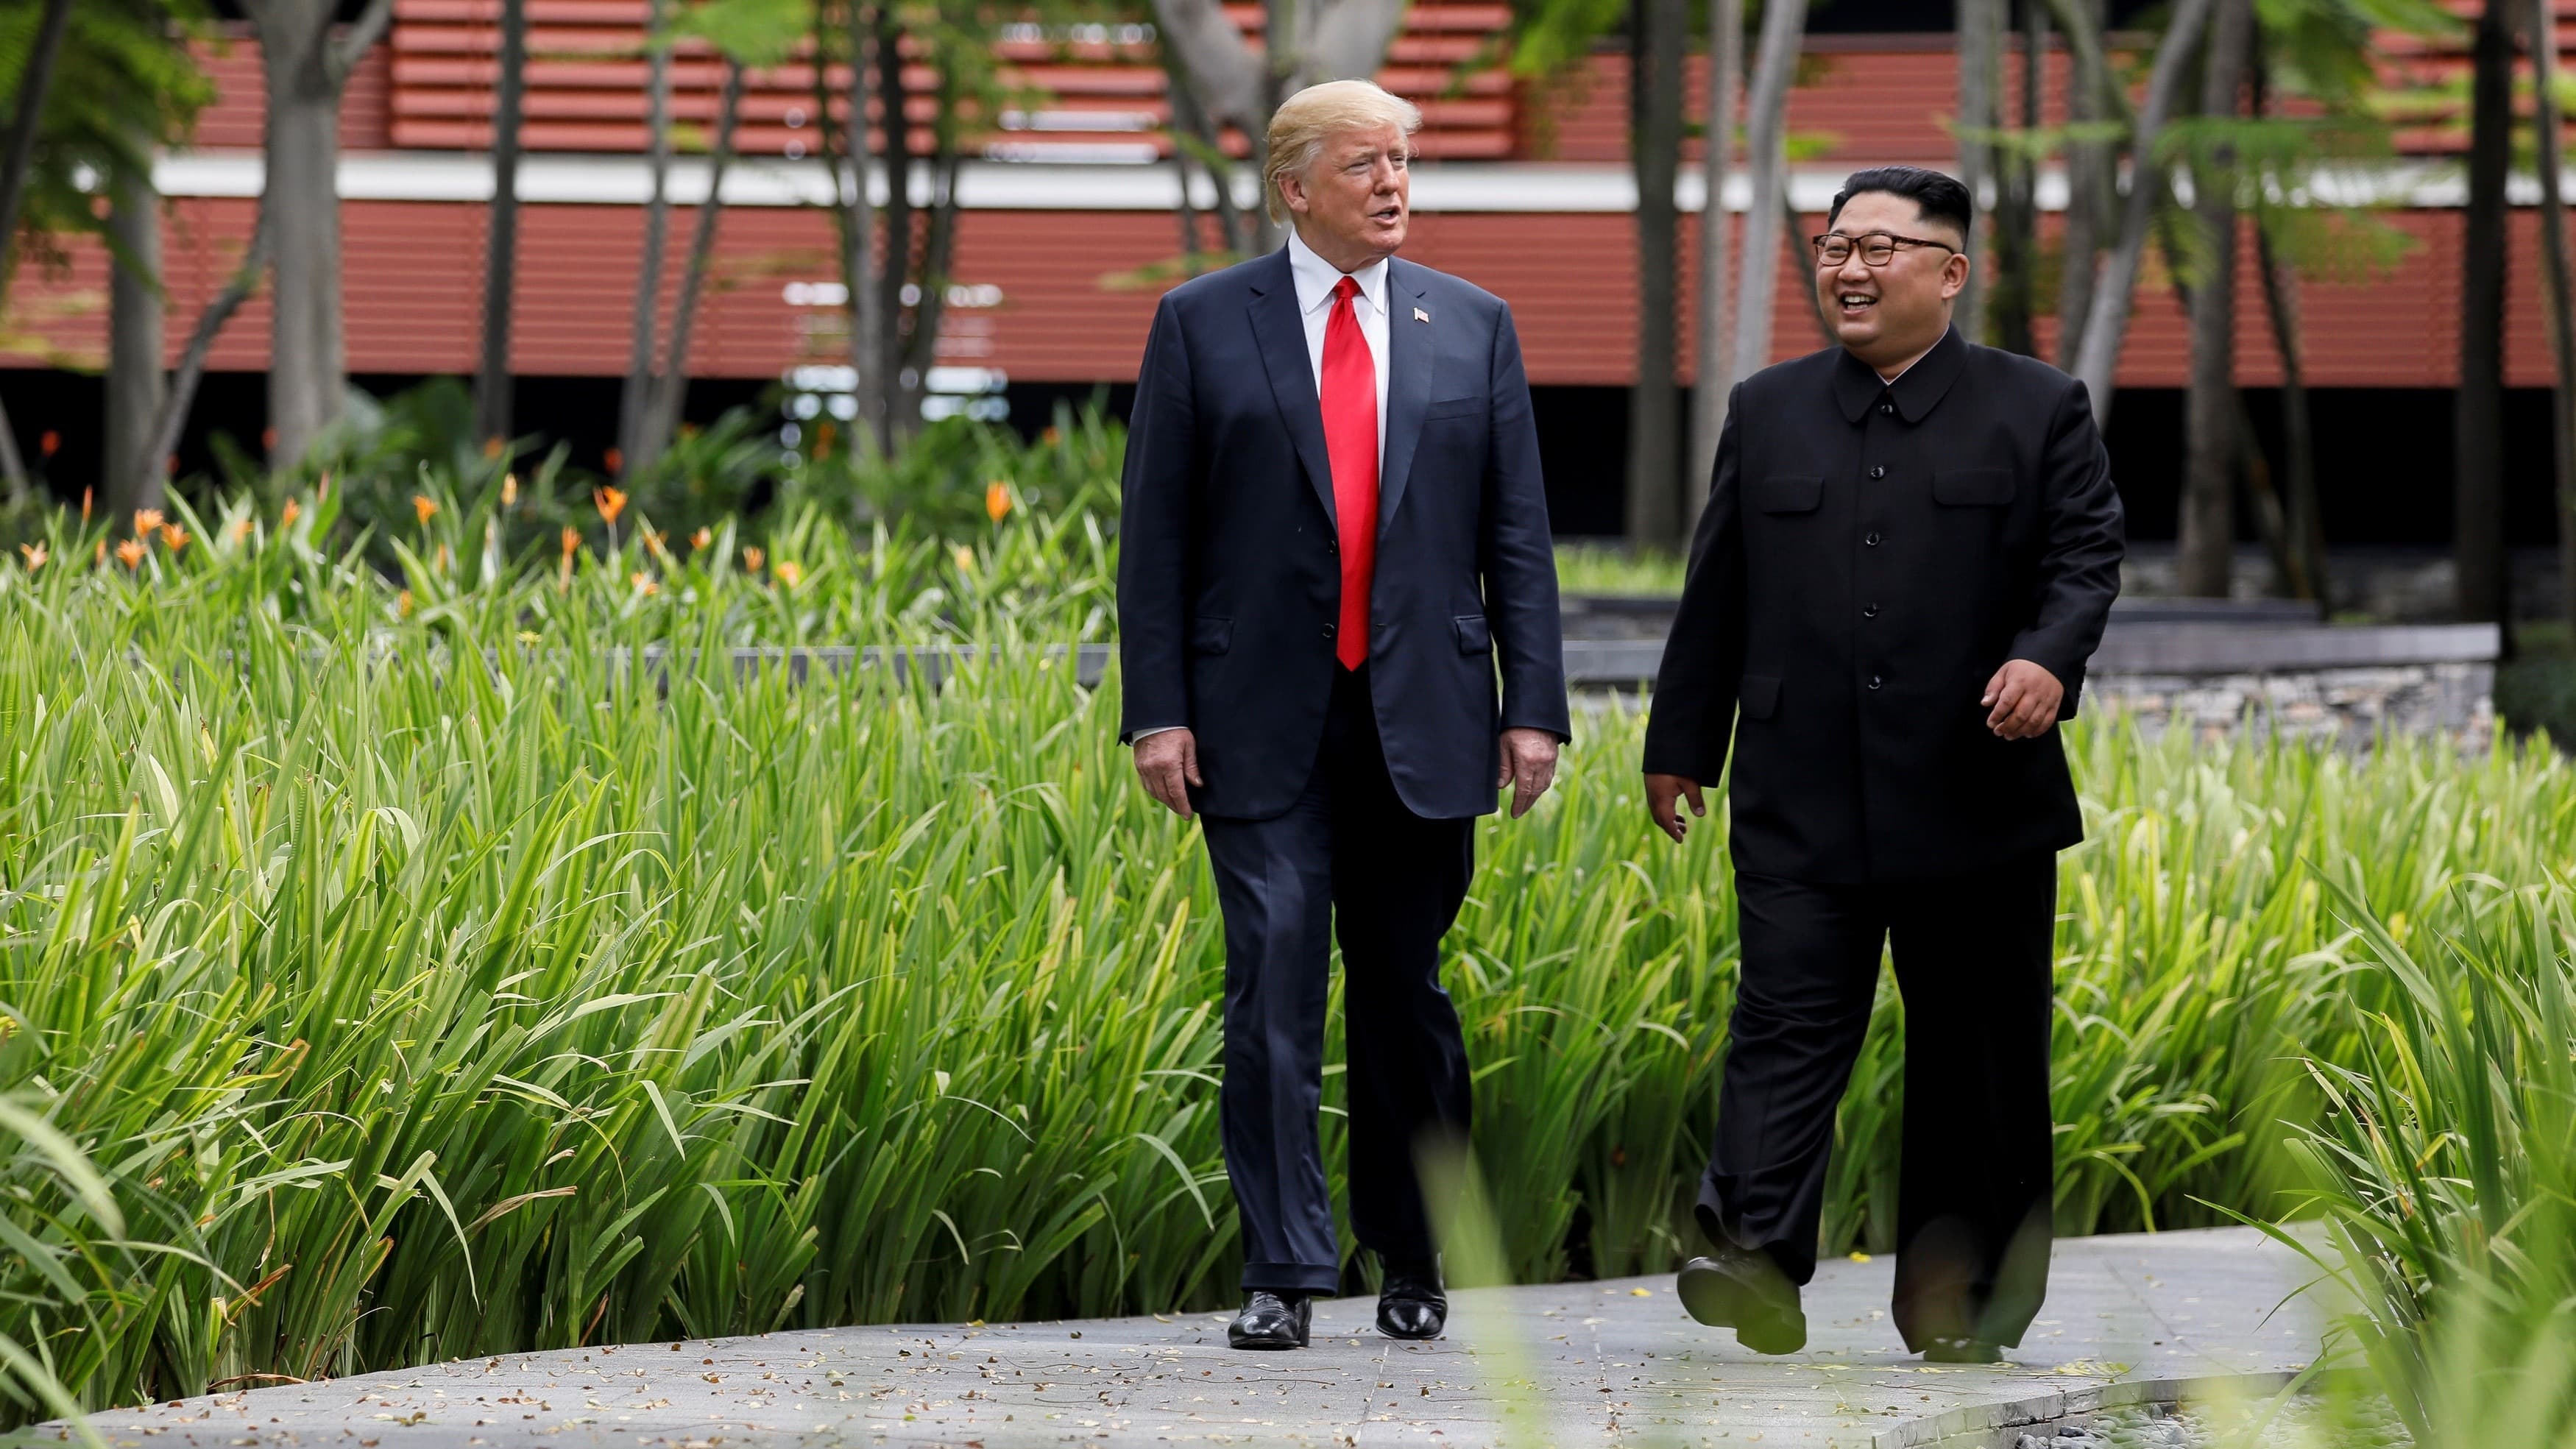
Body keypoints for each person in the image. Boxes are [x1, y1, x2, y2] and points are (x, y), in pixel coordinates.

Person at [1115, 79, 1571, 1350]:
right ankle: (1282, 1265)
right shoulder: (1203, 324)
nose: (1394, 183)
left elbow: (1516, 537)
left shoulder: (1472, 324)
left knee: (1404, 992)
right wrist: (1157, 710)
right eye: (1367, 162)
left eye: (1405, 160)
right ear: (1296, 185)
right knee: (1269, 979)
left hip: (1423, 713)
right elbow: (1155, 537)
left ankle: (1412, 1250)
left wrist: (1531, 706)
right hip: (1257, 717)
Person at [1641, 165, 2124, 1363]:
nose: (1847, 270)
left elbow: (2086, 558)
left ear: (1950, 273)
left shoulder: (2038, 406)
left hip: (1976, 793)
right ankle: (1747, 1255)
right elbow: (1718, 594)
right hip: (1800, 791)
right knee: (1786, 1021)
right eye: (1832, 245)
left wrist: (2047, 660)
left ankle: (1961, 1309)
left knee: (1978, 1058)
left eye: (1879, 249)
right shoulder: (1768, 408)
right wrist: (1678, 744)